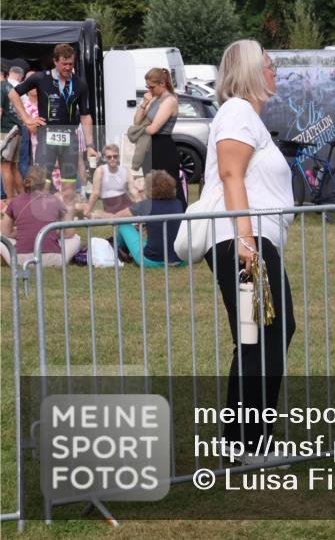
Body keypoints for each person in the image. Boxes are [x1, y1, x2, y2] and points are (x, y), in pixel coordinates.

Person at [202, 39, 296, 463]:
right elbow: (229, 173)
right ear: (251, 72)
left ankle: (246, 438)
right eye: (269, 65)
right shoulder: (238, 111)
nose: (275, 72)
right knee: (262, 335)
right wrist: (246, 241)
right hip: (244, 239)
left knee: (264, 333)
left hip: (251, 239)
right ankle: (245, 442)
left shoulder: (246, 118)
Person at [11, 44, 98, 207]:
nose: (67, 68)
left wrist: (90, 145)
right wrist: (27, 117)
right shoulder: (40, 78)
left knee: (70, 186)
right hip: (47, 137)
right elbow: (13, 94)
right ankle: (44, 224)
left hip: (70, 137)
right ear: (55, 62)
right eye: (64, 64)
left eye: (70, 64)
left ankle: (68, 230)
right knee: (41, 183)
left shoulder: (80, 84)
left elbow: (86, 115)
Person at [0, 165, 80, 267]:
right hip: (53, 259)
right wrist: (53, 233)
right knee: (76, 238)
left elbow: (6, 232)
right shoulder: (55, 200)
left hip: (20, 260)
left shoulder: (15, 201)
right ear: (45, 183)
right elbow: (70, 232)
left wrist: (20, 232)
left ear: (26, 181)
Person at [109, 169, 184, 267]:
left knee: (123, 223)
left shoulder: (146, 205)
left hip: (151, 261)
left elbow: (117, 216)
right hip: (179, 260)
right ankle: (119, 248)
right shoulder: (178, 203)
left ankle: (117, 248)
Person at [136, 68, 184, 204]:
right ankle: (155, 221)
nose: (149, 90)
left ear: (162, 84)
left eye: (152, 86)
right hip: (150, 148)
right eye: (147, 86)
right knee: (151, 188)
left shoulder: (170, 100)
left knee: (168, 188)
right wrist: (144, 103)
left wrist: (138, 131)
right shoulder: (154, 99)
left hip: (163, 148)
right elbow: (136, 121)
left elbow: (153, 129)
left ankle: (178, 220)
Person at [82, 144, 138, 218]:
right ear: (105, 158)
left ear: (119, 157)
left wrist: (140, 206)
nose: (112, 159)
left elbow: (134, 191)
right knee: (116, 217)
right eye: (109, 157)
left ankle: (98, 215)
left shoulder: (125, 171)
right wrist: (88, 210)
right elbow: (95, 193)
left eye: (115, 156)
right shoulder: (100, 171)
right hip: (111, 207)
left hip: (125, 204)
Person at [1, 65, 25, 198]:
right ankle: (22, 199)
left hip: (5, 131)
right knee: (13, 167)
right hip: (16, 130)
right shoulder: (10, 87)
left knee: (4, 168)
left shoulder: (0, 87)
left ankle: (10, 201)